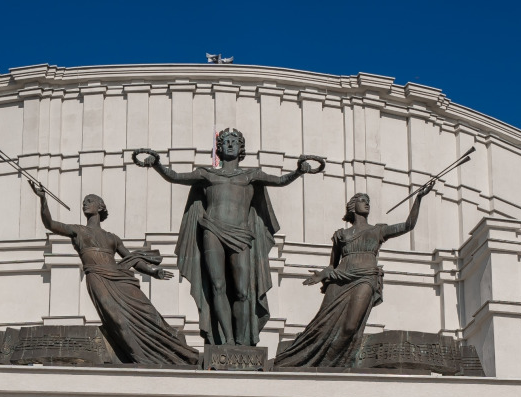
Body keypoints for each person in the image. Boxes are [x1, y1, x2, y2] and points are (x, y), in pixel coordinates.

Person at [132, 129, 324, 346]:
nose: (230, 145)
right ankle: (228, 342)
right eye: (226, 142)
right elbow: (174, 176)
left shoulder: (251, 175)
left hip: (241, 234)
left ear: (241, 148)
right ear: (219, 148)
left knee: (243, 291)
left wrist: (298, 171)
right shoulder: (207, 174)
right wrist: (156, 163)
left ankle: (243, 341)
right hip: (212, 230)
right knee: (218, 287)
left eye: (234, 142)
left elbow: (280, 181)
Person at [28, 183, 199, 367]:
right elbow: (51, 224)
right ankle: (141, 358)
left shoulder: (112, 238)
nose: (85, 203)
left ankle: (173, 353)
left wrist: (153, 271)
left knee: (149, 313)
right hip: (97, 277)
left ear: (100, 207)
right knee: (117, 319)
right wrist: (43, 199)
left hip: (119, 278)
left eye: (90, 201)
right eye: (84, 201)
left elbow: (131, 258)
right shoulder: (78, 230)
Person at [275, 184, 434, 369]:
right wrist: (321, 275)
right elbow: (332, 265)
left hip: (365, 278)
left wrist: (419, 198)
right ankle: (306, 360)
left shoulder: (378, 231)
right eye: (362, 200)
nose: (367, 204)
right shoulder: (341, 235)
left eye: (368, 201)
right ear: (352, 206)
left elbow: (408, 225)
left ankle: (329, 363)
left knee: (350, 327)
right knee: (322, 324)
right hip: (340, 279)